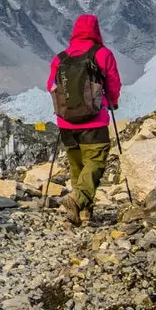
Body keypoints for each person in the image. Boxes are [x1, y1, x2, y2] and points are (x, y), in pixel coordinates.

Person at [45, 13, 122, 226]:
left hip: (66, 123)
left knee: (77, 166)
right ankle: (77, 200)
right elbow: (113, 83)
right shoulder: (103, 54)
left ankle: (84, 213)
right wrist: (112, 102)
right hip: (94, 121)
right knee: (95, 163)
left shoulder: (61, 57)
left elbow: (50, 86)